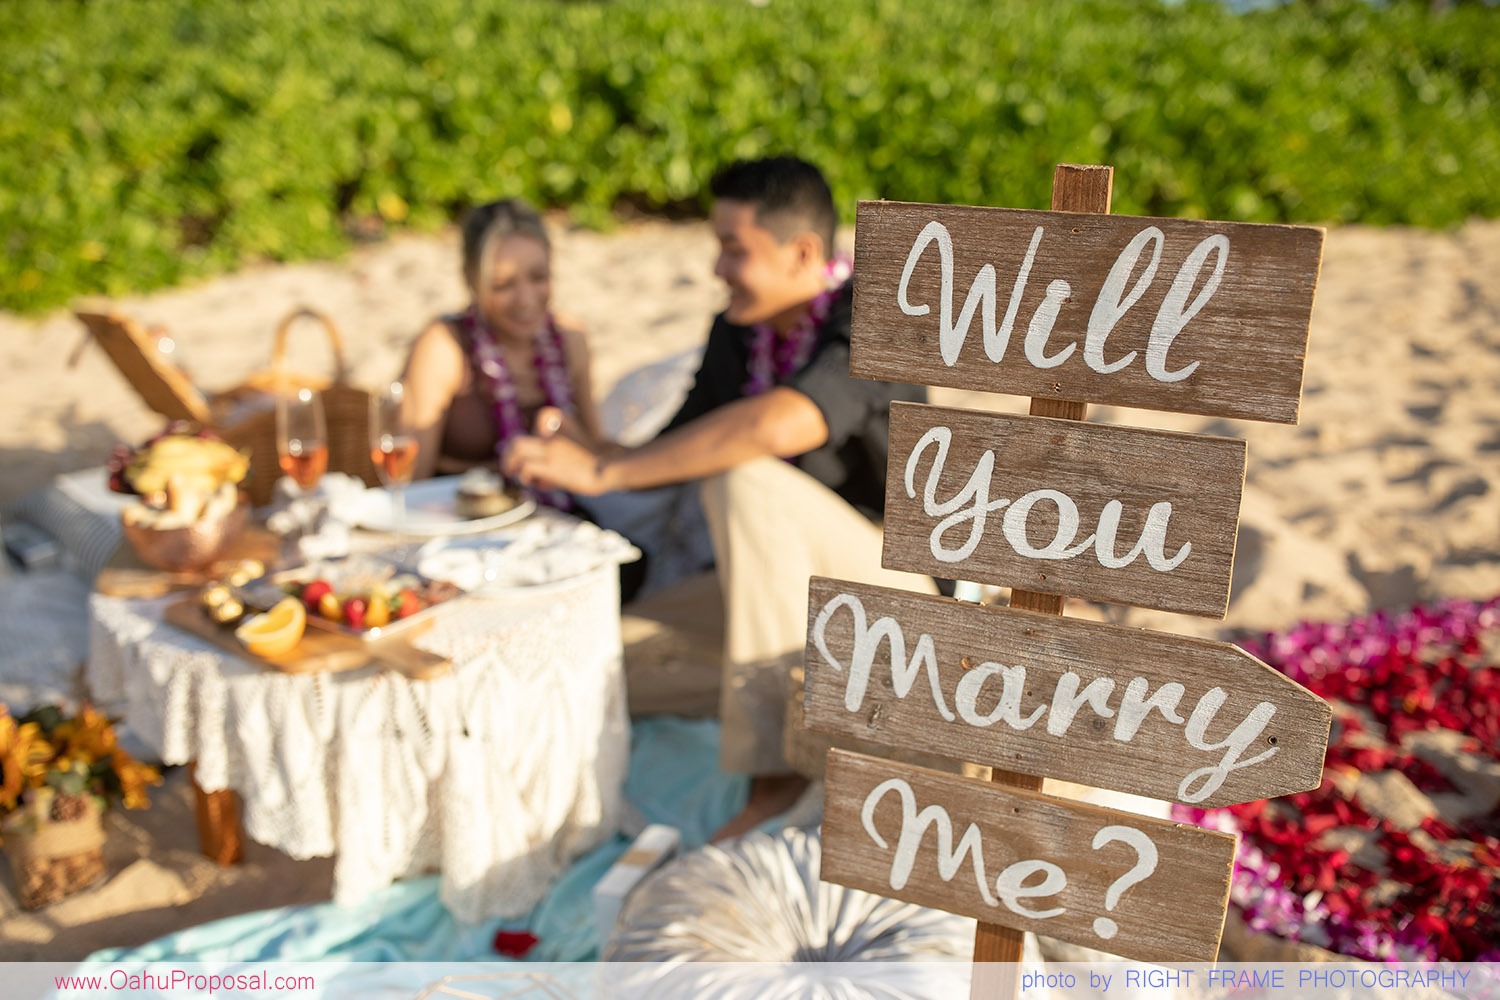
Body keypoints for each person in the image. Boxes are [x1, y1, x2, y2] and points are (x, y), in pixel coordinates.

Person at [503, 156, 936, 839]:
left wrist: (606, 475)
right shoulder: (738, 331)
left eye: (733, 250)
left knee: (743, 476)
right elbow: (668, 454)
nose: (717, 269)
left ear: (801, 253)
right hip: (782, 608)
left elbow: (781, 422)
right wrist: (583, 452)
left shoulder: (879, 314)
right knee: (602, 659)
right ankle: (812, 710)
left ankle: (778, 773)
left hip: (892, 597)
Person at [401, 198, 604, 481]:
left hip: (558, 518)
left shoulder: (571, 337)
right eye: (503, 284)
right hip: (458, 517)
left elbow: (599, 462)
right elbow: (409, 481)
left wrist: (570, 437)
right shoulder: (444, 346)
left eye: (538, 277)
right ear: (471, 281)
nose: (525, 299)